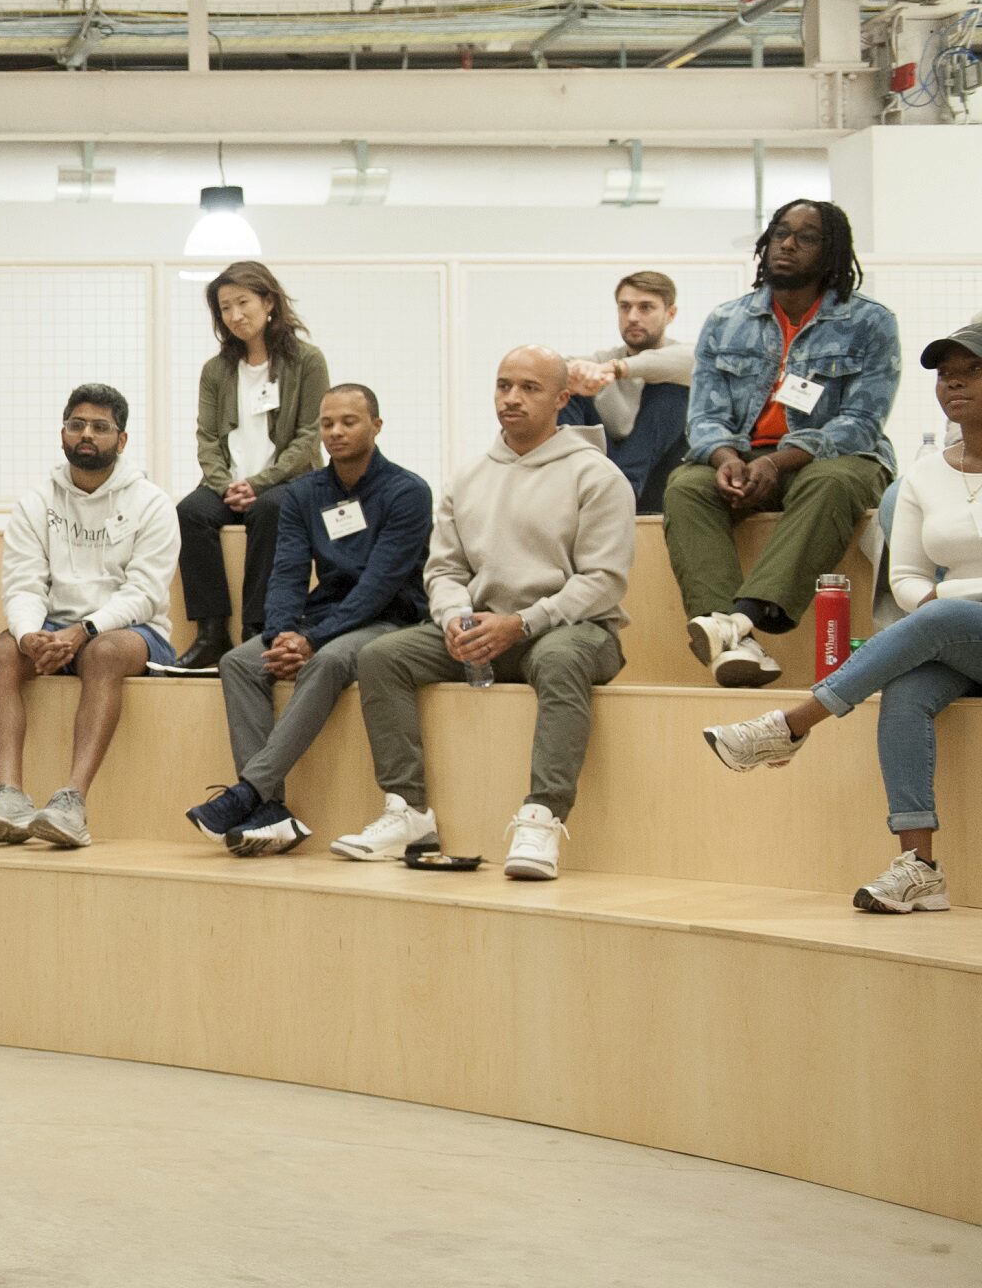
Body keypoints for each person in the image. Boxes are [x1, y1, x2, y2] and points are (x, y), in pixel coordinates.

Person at [700, 323, 982, 914]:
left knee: (938, 621)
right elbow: (904, 575)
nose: (955, 380)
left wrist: (952, 602)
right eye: (945, 371)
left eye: (973, 369)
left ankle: (791, 725)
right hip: (959, 635)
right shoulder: (925, 476)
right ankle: (920, 868)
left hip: (958, 622)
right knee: (906, 689)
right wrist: (944, 608)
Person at [339, 347, 636, 881]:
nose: (511, 398)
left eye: (529, 387)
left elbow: (603, 582)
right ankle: (408, 812)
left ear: (563, 399)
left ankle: (543, 817)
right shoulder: (468, 476)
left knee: (561, 658)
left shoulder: (598, 475)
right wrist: (455, 617)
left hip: (576, 630)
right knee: (382, 656)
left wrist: (522, 623)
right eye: (503, 386)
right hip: (485, 632)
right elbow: (445, 569)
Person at [186, 384, 431, 858]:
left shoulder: (408, 492)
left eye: (349, 422)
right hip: (324, 618)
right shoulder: (303, 493)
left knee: (328, 660)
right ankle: (270, 813)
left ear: (376, 427)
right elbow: (288, 573)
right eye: (327, 423)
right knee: (239, 661)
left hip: (390, 619)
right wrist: (281, 635)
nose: (336, 432)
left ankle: (248, 791)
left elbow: (379, 586)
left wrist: (313, 639)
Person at [666, 200, 899, 687]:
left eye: (806, 237)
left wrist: (778, 462)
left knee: (834, 480)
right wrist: (728, 459)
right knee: (687, 485)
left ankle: (741, 620)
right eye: (779, 233)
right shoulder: (726, 320)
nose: (787, 244)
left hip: (831, 458)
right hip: (745, 458)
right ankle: (739, 646)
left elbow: (861, 422)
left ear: (831, 251)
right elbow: (705, 416)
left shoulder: (870, 322)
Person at [0, 384, 178, 851]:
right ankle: (10, 799)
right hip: (56, 626)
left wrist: (86, 630)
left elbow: (143, 593)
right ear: (62, 432)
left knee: (101, 653)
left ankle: (72, 803)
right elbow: (23, 584)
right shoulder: (36, 502)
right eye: (77, 424)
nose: (86, 434)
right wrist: (28, 636)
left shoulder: (152, 503)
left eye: (100, 427)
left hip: (132, 632)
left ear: (121, 441)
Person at [161, 261, 331, 675]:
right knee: (189, 513)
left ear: (269, 302)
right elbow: (206, 437)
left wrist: (259, 483)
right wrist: (224, 486)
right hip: (227, 482)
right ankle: (211, 633)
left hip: (286, 480)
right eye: (224, 308)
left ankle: (258, 628)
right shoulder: (216, 370)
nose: (235, 315)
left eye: (243, 303)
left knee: (271, 509)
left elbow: (310, 434)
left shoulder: (307, 360)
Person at [559, 270, 693, 514]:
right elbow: (548, 370)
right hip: (603, 472)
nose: (632, 317)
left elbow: (695, 360)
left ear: (670, 314)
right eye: (625, 307)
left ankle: (621, 492)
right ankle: (582, 490)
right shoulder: (600, 361)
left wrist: (615, 369)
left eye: (645, 308)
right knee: (564, 389)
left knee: (673, 389)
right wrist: (574, 374)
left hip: (658, 480)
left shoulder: (682, 357)